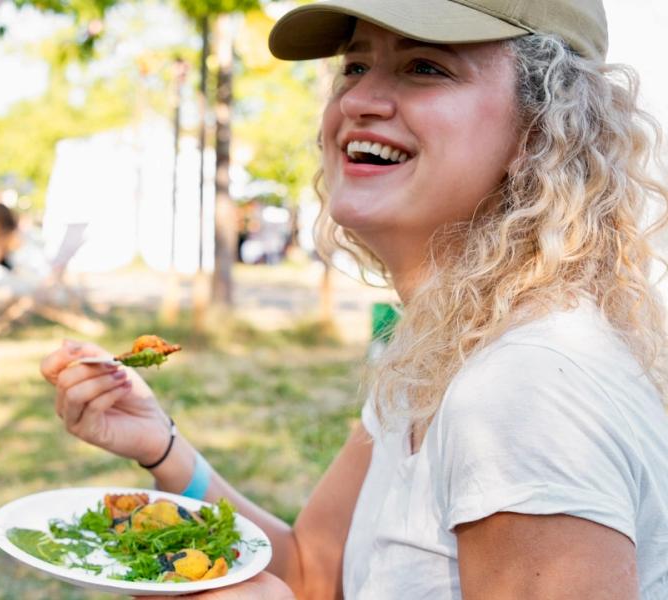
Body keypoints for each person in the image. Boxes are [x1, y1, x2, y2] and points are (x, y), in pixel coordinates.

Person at [40, 0, 668, 598]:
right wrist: (164, 448)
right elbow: (314, 571)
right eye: (356, 66)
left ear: (543, 128)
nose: (358, 100)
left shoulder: (525, 392)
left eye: (427, 66)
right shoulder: (440, 347)